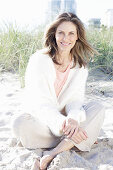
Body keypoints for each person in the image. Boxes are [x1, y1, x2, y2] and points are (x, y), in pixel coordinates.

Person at [12, 12, 105, 170]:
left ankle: (54, 151)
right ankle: (75, 140)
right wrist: (64, 124)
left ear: (77, 37)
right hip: (45, 122)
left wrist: (73, 119)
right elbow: (40, 104)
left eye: (71, 34)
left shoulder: (79, 66)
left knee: (98, 108)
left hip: (67, 123)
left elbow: (75, 101)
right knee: (20, 123)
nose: (65, 38)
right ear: (54, 34)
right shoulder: (39, 60)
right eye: (61, 33)